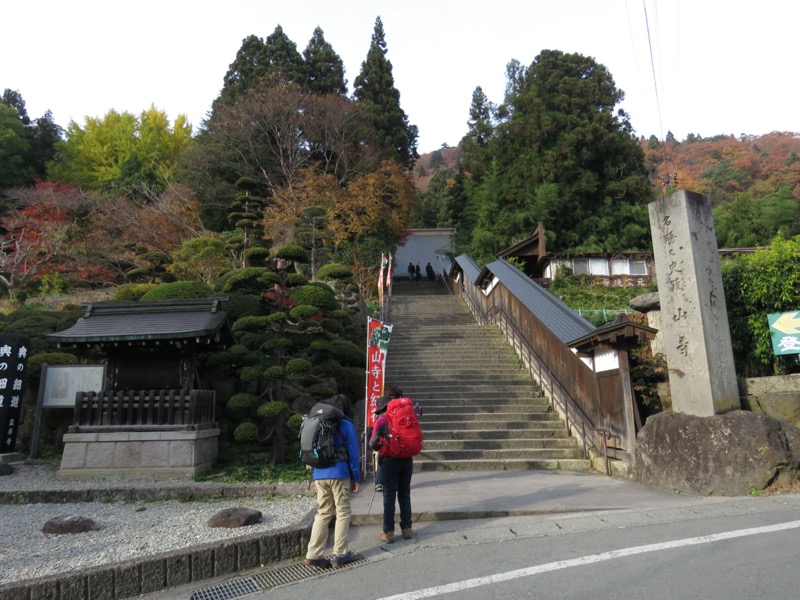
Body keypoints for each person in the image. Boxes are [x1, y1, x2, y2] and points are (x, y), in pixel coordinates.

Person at [303, 394, 361, 569]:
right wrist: (356, 477)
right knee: (342, 513)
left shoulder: (318, 423)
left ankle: (313, 555)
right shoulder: (346, 425)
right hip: (339, 473)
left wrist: (314, 475)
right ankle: (340, 554)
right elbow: (353, 454)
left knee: (323, 513)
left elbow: (311, 451)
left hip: (320, 474)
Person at [369, 385, 420, 543]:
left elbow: (372, 443)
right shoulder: (408, 415)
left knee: (389, 496)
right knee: (405, 495)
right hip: (407, 460)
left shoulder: (383, 420)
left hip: (389, 461)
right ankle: (407, 529)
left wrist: (380, 447)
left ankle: (388, 532)